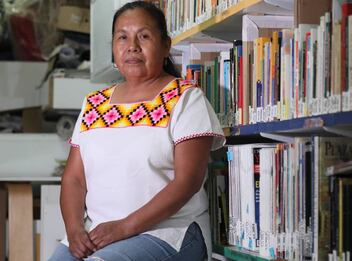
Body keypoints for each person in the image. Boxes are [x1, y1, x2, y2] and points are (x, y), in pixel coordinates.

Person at [49, 2, 225, 261]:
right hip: (98, 232)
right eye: (122, 37)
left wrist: (123, 227)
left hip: (168, 232)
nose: (132, 46)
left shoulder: (186, 98)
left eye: (144, 36)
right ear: (113, 46)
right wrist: (74, 230)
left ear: (166, 45)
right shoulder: (94, 104)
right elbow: (74, 180)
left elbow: (187, 182)